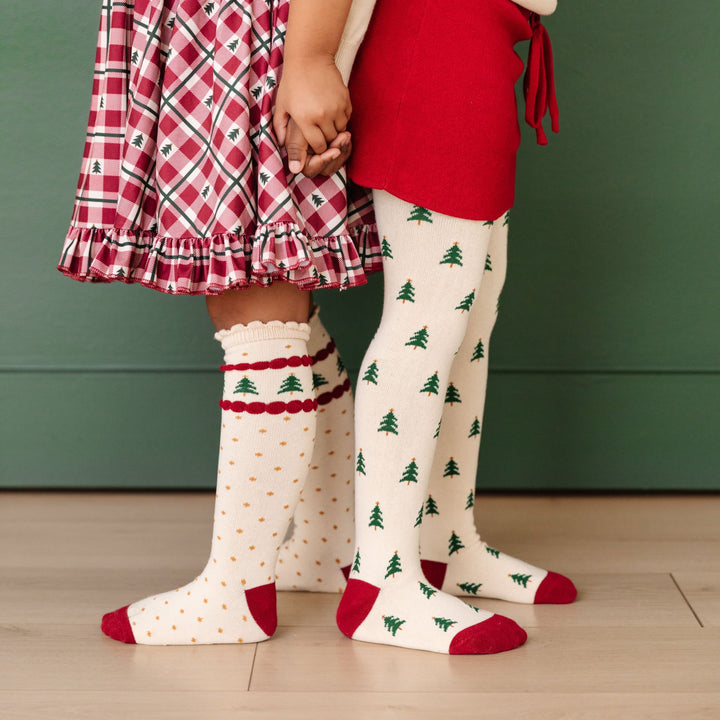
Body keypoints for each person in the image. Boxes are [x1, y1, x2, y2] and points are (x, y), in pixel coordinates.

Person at [56, 0, 380, 645]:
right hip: (208, 34)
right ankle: (326, 545)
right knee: (270, 297)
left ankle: (237, 590)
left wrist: (311, 54)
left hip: (240, 34)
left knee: (255, 292)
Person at [334, 0, 578, 654]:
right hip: (435, 41)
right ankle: (382, 581)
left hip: (480, 41)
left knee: (471, 315)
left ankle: (444, 540)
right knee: (428, 317)